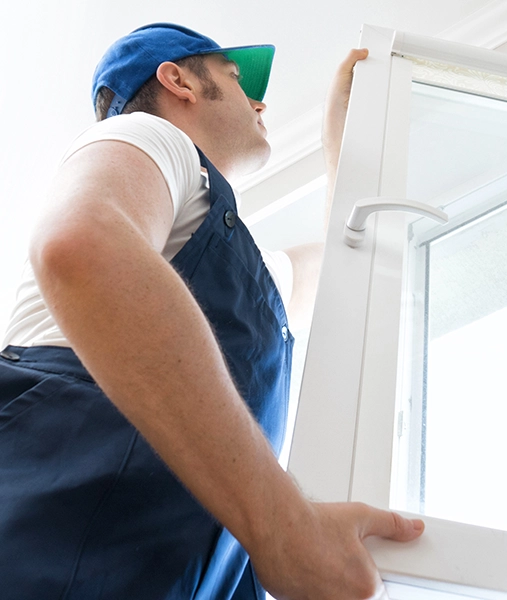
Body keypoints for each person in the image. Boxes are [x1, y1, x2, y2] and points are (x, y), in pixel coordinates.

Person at [0, 22, 423, 599]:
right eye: (234, 75)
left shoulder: (244, 265)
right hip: (49, 537)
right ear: (177, 81)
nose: (261, 100)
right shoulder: (150, 137)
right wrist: (285, 527)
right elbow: (82, 246)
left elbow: (341, 281)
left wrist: (348, 156)